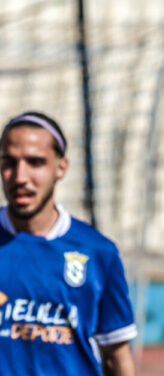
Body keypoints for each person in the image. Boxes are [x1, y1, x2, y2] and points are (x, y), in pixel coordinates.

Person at [0, 112, 137, 376]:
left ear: (61, 167)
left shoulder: (98, 253)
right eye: (9, 162)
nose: (20, 177)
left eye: (35, 162)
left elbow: (117, 358)